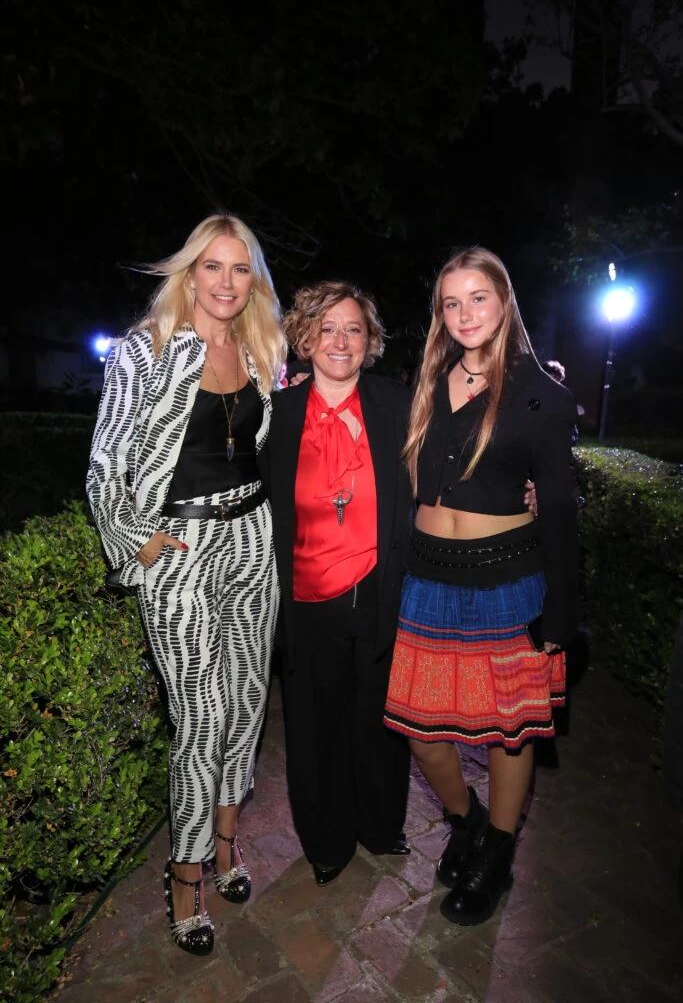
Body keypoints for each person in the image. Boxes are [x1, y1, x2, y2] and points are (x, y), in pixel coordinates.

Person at [86, 214, 285, 955]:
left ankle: (228, 843)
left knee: (245, 704)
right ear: (189, 273)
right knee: (199, 716)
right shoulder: (147, 349)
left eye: (240, 269)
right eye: (212, 267)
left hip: (251, 536)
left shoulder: (263, 348)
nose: (226, 282)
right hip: (181, 544)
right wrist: (138, 544)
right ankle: (184, 875)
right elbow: (105, 463)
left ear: (252, 281)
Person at [384, 247, 579, 926]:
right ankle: (463, 822)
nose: (464, 313)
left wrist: (561, 610)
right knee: (419, 729)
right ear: (439, 314)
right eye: (450, 301)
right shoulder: (427, 381)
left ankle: (495, 855)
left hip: (508, 580)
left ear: (503, 302)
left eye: (477, 297)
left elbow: (558, 507)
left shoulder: (539, 394)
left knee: (509, 734)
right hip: (428, 576)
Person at [262, 280, 413, 886]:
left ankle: (380, 825)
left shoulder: (398, 405)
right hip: (307, 597)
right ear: (304, 337)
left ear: (370, 339)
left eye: (353, 328)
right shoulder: (276, 415)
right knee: (316, 725)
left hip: (380, 589)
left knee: (381, 720)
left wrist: (522, 492)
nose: (340, 340)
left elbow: (446, 469)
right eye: (327, 328)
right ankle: (326, 839)